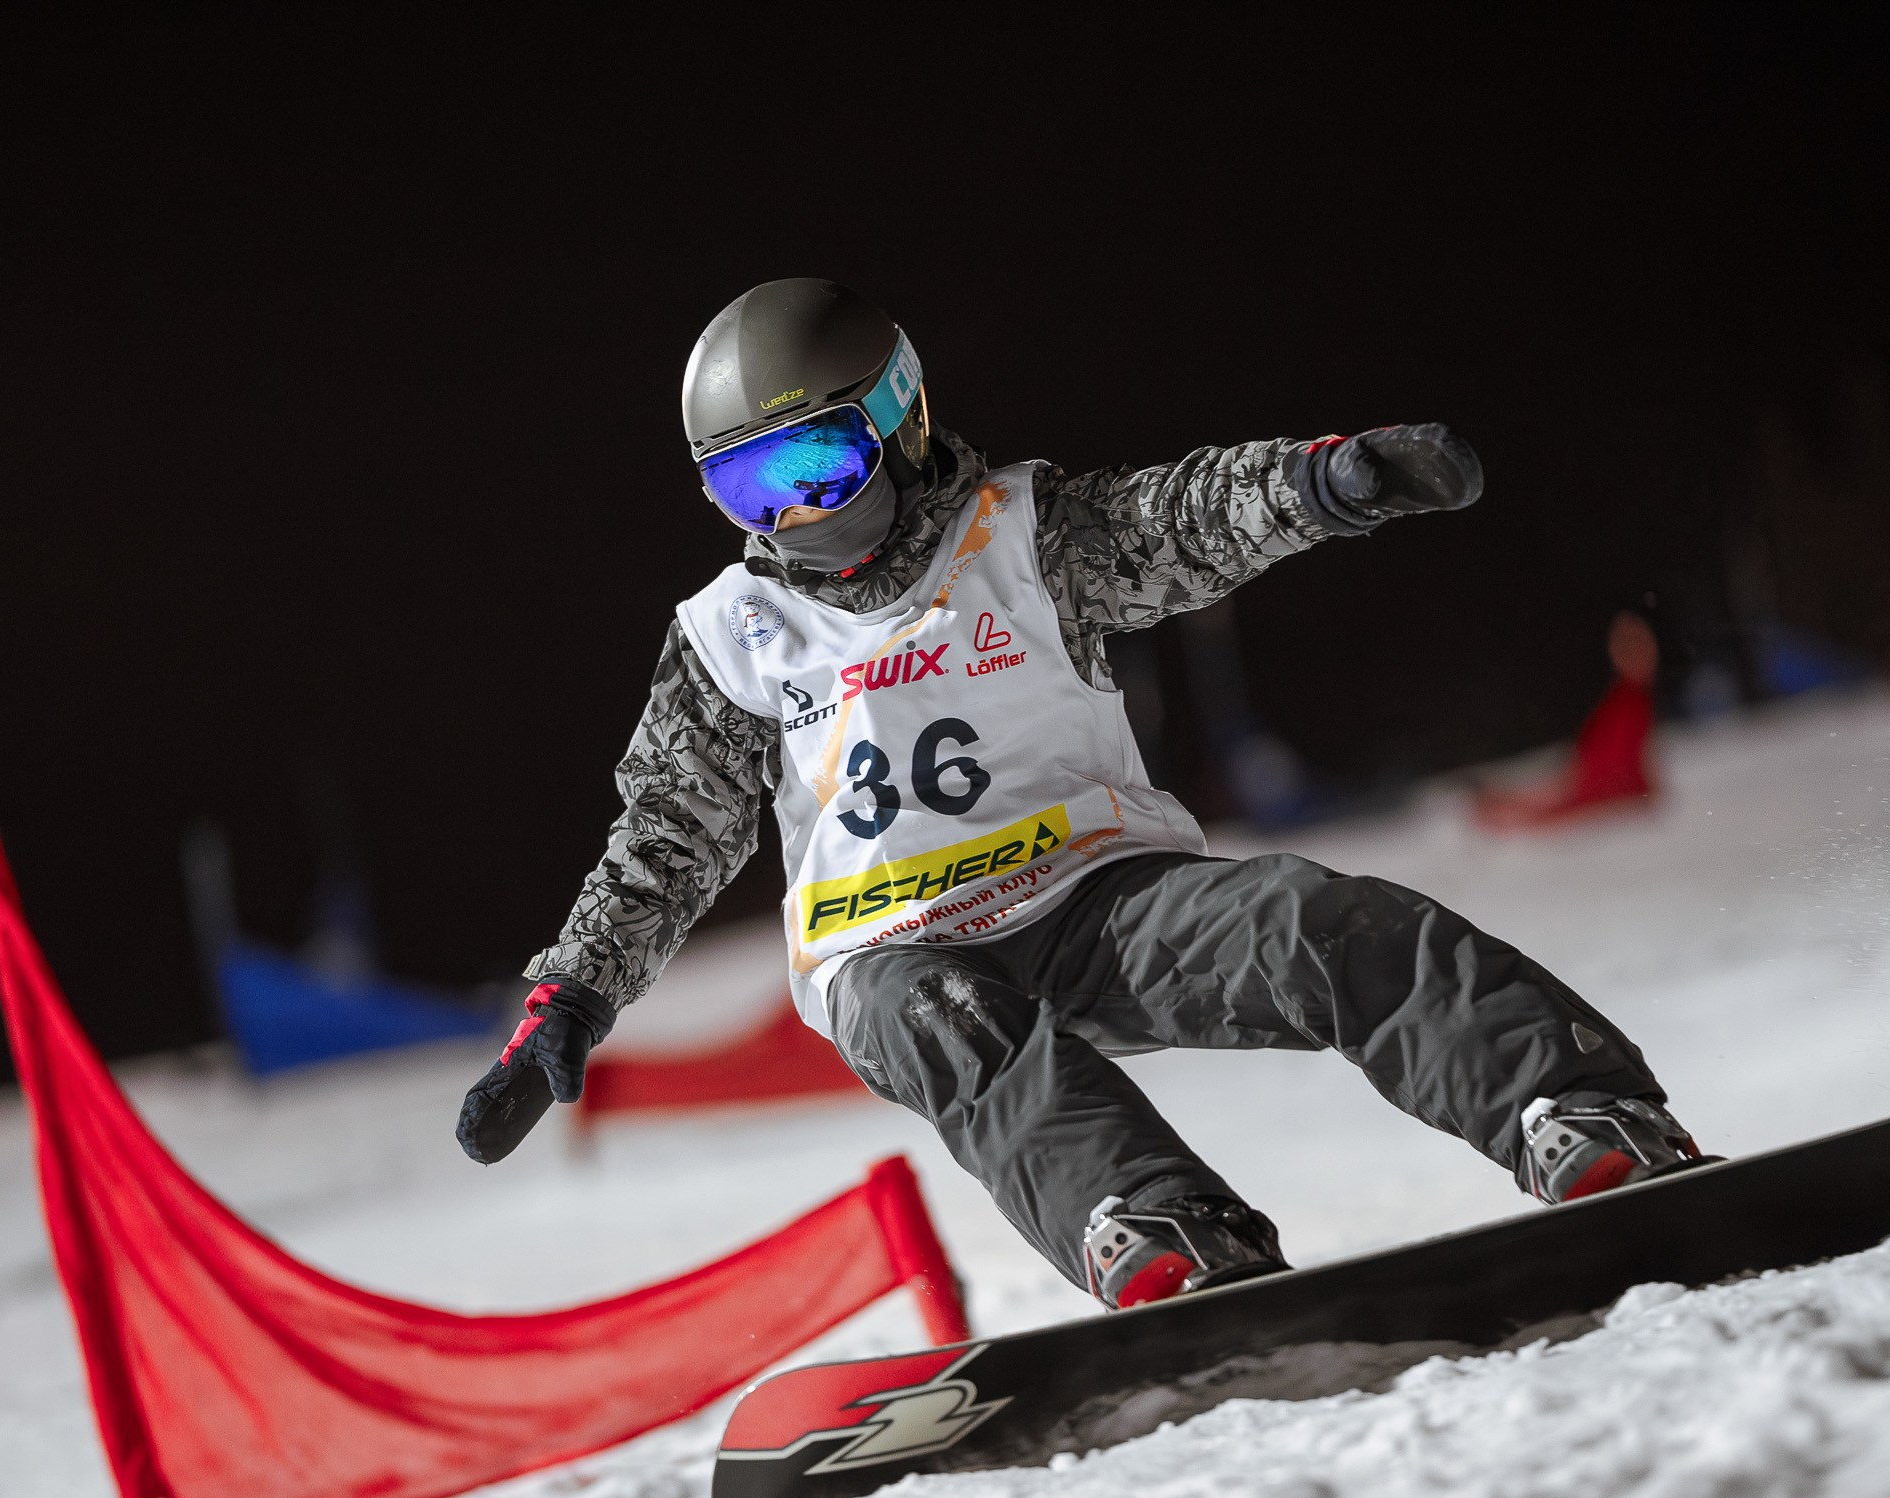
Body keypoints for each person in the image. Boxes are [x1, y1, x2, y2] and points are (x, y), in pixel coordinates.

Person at [458, 279, 1701, 1309]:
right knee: (951, 1028)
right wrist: (569, 996)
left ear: (896, 419)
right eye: (750, 490)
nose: (793, 516)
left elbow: (1188, 517)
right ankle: (1159, 1222)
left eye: (820, 466)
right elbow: (667, 833)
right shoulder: (736, 634)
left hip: (1103, 900)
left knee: (1315, 922)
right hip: (893, 945)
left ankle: (1574, 1110)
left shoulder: (1023, 537)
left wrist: (1329, 482)